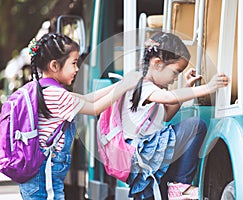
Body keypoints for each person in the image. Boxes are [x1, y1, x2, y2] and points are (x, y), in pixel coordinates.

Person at [19, 33, 141, 200]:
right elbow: (94, 108)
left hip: (43, 170)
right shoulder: (57, 95)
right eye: (74, 63)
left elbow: (87, 98)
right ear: (55, 65)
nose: (77, 69)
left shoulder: (46, 90)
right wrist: (124, 86)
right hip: (46, 171)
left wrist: (122, 85)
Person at [122, 32, 230, 200]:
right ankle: (180, 185)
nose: (174, 79)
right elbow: (168, 97)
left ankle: (175, 189)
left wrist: (187, 86)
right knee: (196, 126)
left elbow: (165, 115)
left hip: (143, 156)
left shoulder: (147, 87)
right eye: (175, 73)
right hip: (144, 151)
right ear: (157, 64)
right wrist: (208, 87)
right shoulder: (144, 85)